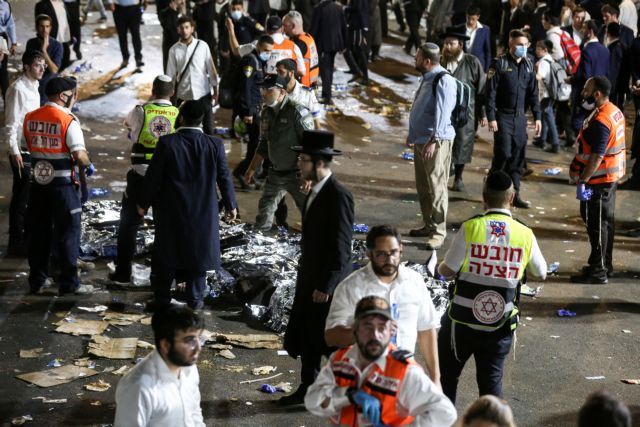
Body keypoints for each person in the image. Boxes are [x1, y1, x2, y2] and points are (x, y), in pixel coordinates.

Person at [437, 170, 547, 403]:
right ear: (512, 197)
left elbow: (447, 271)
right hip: (500, 325)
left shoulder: (471, 228)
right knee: (491, 385)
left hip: (461, 324)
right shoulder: (524, 233)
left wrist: (441, 267)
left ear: (484, 197)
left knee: (446, 379)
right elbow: (541, 272)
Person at [138, 100, 237, 310]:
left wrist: (143, 203)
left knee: (168, 254)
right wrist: (231, 205)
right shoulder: (214, 144)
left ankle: (162, 298)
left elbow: (153, 178)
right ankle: (195, 300)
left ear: (181, 118)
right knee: (198, 256)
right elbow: (224, 177)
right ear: (201, 120)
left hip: (171, 210)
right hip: (204, 211)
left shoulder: (167, 142)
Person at [282, 130, 354, 405]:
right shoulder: (314, 190)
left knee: (326, 340)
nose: (299, 166)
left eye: (303, 160)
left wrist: (327, 284)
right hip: (309, 277)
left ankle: (337, 391)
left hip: (326, 284)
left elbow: (341, 246)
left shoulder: (338, 196)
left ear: (319, 163)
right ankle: (308, 387)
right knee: (308, 337)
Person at [305, 295, 458, 426]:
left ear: (392, 330)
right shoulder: (339, 360)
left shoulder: (404, 371)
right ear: (355, 330)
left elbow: (445, 412)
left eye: (382, 327)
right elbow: (312, 401)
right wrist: (349, 394)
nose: (375, 335)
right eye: (367, 327)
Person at [325, 225, 441, 386]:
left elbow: (427, 329)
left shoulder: (414, 282)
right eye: (381, 254)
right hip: (363, 381)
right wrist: (366, 332)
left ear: (401, 249)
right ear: (369, 254)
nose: (389, 260)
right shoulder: (350, 287)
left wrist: (435, 378)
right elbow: (331, 336)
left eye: (393, 252)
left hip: (405, 378)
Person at [23, 76, 94, 295]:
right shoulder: (67, 119)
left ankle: (37, 280)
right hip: (62, 186)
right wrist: (89, 166)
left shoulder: (30, 117)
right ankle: (69, 284)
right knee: (68, 234)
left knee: (39, 233)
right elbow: (79, 155)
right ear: (64, 96)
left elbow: (26, 146)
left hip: (37, 185)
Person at [109, 75, 179, 285]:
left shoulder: (141, 110)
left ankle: (123, 272)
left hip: (140, 174)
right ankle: (160, 278)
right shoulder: (177, 113)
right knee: (164, 228)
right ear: (172, 92)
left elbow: (128, 127)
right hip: (166, 178)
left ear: (153, 90)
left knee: (129, 225)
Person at [569, 76, 625, 284]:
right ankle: (601, 264)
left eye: (586, 89)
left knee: (597, 224)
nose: (583, 92)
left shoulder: (602, 121)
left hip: (599, 181)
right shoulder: (613, 111)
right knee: (603, 223)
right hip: (607, 179)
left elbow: (597, 155)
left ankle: (599, 271)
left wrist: (583, 180)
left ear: (597, 94)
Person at [114, 305, 206, 426]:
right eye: (189, 340)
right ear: (166, 345)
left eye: (199, 338)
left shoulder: (189, 367)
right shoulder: (139, 388)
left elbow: (194, 413)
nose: (198, 348)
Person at [243, 74, 314, 230]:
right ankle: (261, 247)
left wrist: (307, 175)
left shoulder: (297, 112)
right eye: (262, 89)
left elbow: (311, 145)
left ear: (281, 92)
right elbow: (263, 143)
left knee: (311, 214)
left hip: (297, 175)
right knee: (264, 214)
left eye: (268, 90)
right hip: (276, 173)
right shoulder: (267, 113)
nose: (263, 93)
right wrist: (252, 168)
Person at [407, 42, 457, 251]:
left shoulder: (443, 80)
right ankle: (429, 224)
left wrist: (434, 141)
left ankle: (439, 231)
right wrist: (412, 134)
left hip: (435, 143)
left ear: (427, 61)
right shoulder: (427, 78)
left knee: (437, 187)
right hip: (421, 141)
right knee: (423, 186)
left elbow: (443, 114)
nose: (414, 59)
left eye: (417, 57)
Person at [486, 29, 542, 209]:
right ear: (510, 44)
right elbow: (490, 93)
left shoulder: (528, 65)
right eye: (519, 45)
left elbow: (533, 94)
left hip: (519, 118)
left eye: (525, 45)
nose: (523, 48)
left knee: (518, 157)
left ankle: (514, 194)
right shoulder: (499, 64)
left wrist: (538, 117)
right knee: (503, 153)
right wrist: (491, 117)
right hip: (503, 115)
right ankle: (492, 192)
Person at [5, 51, 46, 257]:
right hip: (21, 150)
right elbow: (11, 123)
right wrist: (14, 151)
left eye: (43, 65)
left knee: (28, 195)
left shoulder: (35, 88)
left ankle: (24, 238)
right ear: (26, 67)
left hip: (31, 148)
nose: (42, 69)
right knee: (21, 197)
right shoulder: (18, 89)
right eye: (38, 65)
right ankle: (15, 242)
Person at [441, 27, 487, 193]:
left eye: (451, 44)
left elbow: (482, 89)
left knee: (462, 144)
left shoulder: (472, 62)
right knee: (443, 143)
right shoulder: (441, 62)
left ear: (460, 44)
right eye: (445, 43)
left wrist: (482, 113)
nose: (447, 47)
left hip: (465, 112)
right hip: (444, 112)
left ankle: (458, 177)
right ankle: (444, 173)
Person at [231, 35, 273, 187]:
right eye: (266, 50)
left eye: (270, 51)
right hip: (250, 110)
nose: (268, 53)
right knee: (256, 144)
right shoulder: (251, 61)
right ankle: (242, 172)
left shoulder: (260, 61)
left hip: (255, 108)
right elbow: (245, 88)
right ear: (259, 47)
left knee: (255, 143)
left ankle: (248, 173)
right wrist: (248, 111)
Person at [166, 16, 219, 136]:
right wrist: (168, 97)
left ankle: (207, 154)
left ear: (192, 28)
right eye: (181, 28)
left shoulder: (202, 46)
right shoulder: (174, 50)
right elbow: (170, 76)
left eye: (187, 27)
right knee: (178, 129)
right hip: (184, 96)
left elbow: (211, 70)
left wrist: (215, 91)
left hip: (203, 94)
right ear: (178, 30)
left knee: (209, 129)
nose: (184, 30)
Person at [567, 21, 609, 147]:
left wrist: (572, 79)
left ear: (590, 32)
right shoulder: (605, 50)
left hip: (587, 92)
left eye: (584, 29)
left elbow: (585, 75)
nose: (582, 31)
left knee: (577, 121)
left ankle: (583, 144)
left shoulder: (587, 50)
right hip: (601, 92)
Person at [310, 0, 348, 103]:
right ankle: (327, 94)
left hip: (324, 44)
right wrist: (344, 44)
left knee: (325, 70)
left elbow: (314, 28)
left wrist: (310, 43)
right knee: (329, 68)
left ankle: (327, 96)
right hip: (336, 43)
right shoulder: (338, 8)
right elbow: (344, 27)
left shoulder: (319, 8)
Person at [26, 14, 64, 106]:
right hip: (33, 82)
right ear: (37, 27)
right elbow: (27, 66)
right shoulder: (31, 43)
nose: (45, 30)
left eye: (47, 26)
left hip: (48, 84)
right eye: (41, 26)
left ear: (50, 28)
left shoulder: (57, 45)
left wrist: (44, 51)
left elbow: (54, 70)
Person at [276, 58, 321, 128]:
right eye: (277, 72)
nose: (278, 75)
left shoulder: (307, 93)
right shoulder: (275, 92)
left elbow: (316, 119)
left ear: (291, 73)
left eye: (281, 72)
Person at [534, 39, 561, 153]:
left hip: (544, 94)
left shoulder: (544, 62)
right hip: (550, 93)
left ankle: (555, 144)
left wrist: (533, 74)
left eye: (538, 49)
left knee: (548, 117)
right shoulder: (550, 59)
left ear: (545, 50)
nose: (536, 51)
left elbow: (540, 77)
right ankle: (542, 139)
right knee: (545, 116)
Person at [283, 10, 320, 88]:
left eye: (285, 25)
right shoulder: (308, 37)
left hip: (302, 85)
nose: (283, 28)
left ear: (293, 26)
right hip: (310, 83)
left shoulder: (300, 44)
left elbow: (287, 65)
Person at [105, 0, 145, 70]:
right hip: (118, 8)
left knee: (136, 34)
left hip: (134, 8)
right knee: (122, 35)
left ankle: (138, 59)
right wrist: (110, 2)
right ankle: (125, 58)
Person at [35, 0, 73, 69]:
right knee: (52, 67)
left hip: (65, 39)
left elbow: (67, 20)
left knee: (65, 63)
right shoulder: (42, 5)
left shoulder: (62, 3)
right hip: (52, 41)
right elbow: (39, 26)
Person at [458, 5, 492, 71]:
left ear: (478, 17)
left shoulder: (485, 29)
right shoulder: (460, 28)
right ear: (466, 15)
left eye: (473, 19)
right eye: (468, 18)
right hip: (462, 65)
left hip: (479, 66)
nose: (470, 21)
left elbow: (487, 51)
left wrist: (487, 70)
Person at [605, 23, 630, 109]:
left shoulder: (614, 48)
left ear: (607, 32)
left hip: (614, 88)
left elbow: (613, 69)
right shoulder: (623, 46)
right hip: (621, 86)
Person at [346, 0, 369, 85]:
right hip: (356, 24)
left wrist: (345, 8)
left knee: (359, 50)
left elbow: (357, 8)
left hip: (358, 25)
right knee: (353, 49)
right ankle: (357, 72)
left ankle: (365, 77)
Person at [158, 0, 183, 72]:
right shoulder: (164, 13)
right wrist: (173, 10)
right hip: (170, 43)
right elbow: (168, 26)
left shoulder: (184, 11)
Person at [0, 0, 17, 98]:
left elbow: (10, 25)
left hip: (1, 38)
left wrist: (13, 42)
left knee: (2, 71)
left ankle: (7, 101)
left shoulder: (4, 4)